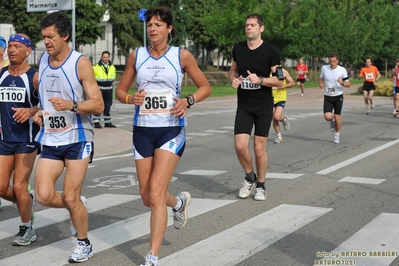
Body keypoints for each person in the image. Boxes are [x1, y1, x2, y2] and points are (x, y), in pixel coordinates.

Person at [115, 6, 211, 266]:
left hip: (171, 129)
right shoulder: (137, 55)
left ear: (169, 29)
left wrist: (188, 100)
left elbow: (205, 87)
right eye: (149, 25)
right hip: (142, 131)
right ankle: (178, 203)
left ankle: (152, 256)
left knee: (156, 192)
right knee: (148, 197)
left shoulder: (182, 55)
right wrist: (129, 98)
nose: (152, 29)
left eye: (158, 25)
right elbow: (120, 91)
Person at [32, 11, 104, 263]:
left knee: (70, 195)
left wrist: (71, 105)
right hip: (51, 138)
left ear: (65, 35)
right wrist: (41, 112)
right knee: (42, 195)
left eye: (50, 37)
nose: (46, 42)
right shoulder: (42, 60)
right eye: (44, 37)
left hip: (78, 137)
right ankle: (77, 206)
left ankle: (84, 244)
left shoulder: (79, 63)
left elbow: (98, 104)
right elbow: (46, 99)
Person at [229, 13, 283, 202]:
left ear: (261, 28)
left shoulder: (270, 51)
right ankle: (249, 177)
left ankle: (261, 185)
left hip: (263, 106)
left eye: (252, 25)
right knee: (239, 146)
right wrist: (233, 80)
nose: (248, 28)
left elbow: (280, 80)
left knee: (259, 149)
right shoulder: (238, 49)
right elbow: (233, 69)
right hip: (243, 105)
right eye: (246, 25)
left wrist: (260, 80)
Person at [0, 33, 40, 246]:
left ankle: (27, 228)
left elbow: (47, 105)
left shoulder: (34, 77)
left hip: (27, 139)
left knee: (19, 186)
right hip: (4, 138)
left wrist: (32, 110)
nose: (11, 50)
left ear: (28, 51)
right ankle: (27, 201)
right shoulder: (1, 74)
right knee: (1, 187)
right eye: (10, 46)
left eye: (17, 46)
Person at [319, 53, 350, 144]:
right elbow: (321, 78)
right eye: (330, 61)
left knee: (337, 116)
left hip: (338, 96)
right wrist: (321, 83)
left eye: (334, 61)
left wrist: (342, 83)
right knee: (327, 117)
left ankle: (337, 135)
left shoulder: (342, 70)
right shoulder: (324, 68)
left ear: (337, 61)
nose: (332, 63)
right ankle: (332, 121)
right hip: (328, 96)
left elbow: (348, 83)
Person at [92, 50, 117, 128]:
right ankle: (96, 122)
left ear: (109, 58)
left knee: (108, 106)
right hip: (99, 89)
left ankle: (107, 122)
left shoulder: (112, 66)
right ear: (101, 57)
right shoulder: (96, 67)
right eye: (104, 57)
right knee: (99, 105)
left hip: (109, 89)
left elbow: (113, 76)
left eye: (107, 57)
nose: (106, 59)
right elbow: (92, 77)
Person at [272, 67, 295, 144]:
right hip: (270, 97)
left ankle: (284, 119)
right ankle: (279, 136)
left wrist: (283, 86)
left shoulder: (283, 71)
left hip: (281, 97)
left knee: (277, 116)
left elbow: (292, 82)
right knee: (274, 118)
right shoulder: (266, 71)